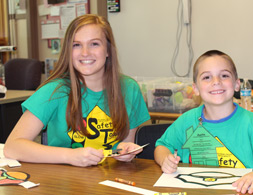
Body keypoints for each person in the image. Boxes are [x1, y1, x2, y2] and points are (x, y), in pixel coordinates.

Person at [4, 14, 150, 167]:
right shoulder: (54, 91)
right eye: (76, 45)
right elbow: (13, 147)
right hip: (64, 180)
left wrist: (124, 150)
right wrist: (70, 156)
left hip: (110, 180)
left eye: (94, 44)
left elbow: (125, 144)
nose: (85, 52)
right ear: (68, 52)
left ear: (108, 50)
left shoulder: (129, 88)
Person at [154, 50, 253, 194]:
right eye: (207, 77)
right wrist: (165, 158)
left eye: (224, 75)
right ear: (195, 88)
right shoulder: (186, 121)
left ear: (236, 84)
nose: (216, 82)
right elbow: (162, 146)